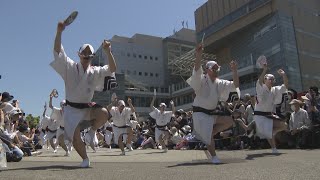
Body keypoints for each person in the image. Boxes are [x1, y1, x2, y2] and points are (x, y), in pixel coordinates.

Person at [50, 19, 116, 167]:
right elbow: (57, 52)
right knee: (74, 138)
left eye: (89, 53)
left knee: (104, 113)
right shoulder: (70, 67)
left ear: (92, 57)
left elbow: (112, 69)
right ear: (78, 54)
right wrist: (59, 32)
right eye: (84, 53)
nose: (86, 55)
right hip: (71, 109)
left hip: (87, 107)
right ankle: (85, 159)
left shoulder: (95, 71)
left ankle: (92, 131)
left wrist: (108, 51)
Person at [186, 43, 239, 164]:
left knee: (229, 121)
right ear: (208, 70)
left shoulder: (220, 82)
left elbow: (235, 85)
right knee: (209, 137)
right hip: (200, 113)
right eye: (214, 68)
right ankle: (214, 156)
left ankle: (206, 133)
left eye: (217, 68)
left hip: (212, 113)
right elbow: (196, 68)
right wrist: (198, 54)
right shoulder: (201, 79)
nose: (216, 70)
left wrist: (235, 71)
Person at [253, 63, 288, 154]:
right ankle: (274, 148)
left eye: (273, 79)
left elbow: (285, 86)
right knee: (268, 131)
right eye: (269, 79)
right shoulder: (260, 87)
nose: (271, 80)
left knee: (284, 125)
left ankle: (271, 132)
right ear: (265, 80)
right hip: (259, 115)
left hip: (269, 114)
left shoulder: (275, 89)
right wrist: (264, 70)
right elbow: (259, 81)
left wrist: (284, 75)